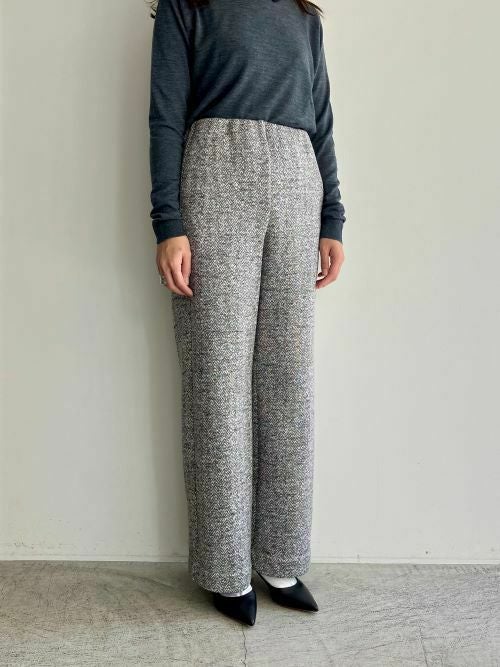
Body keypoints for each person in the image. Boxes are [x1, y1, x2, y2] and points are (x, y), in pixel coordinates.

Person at [148, 0, 346, 626]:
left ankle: (281, 558)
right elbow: (165, 114)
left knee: (288, 379)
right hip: (214, 175)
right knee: (218, 376)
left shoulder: (303, 17)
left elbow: (321, 121)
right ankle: (224, 566)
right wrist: (169, 223)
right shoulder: (188, 6)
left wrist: (333, 218)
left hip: (298, 182)